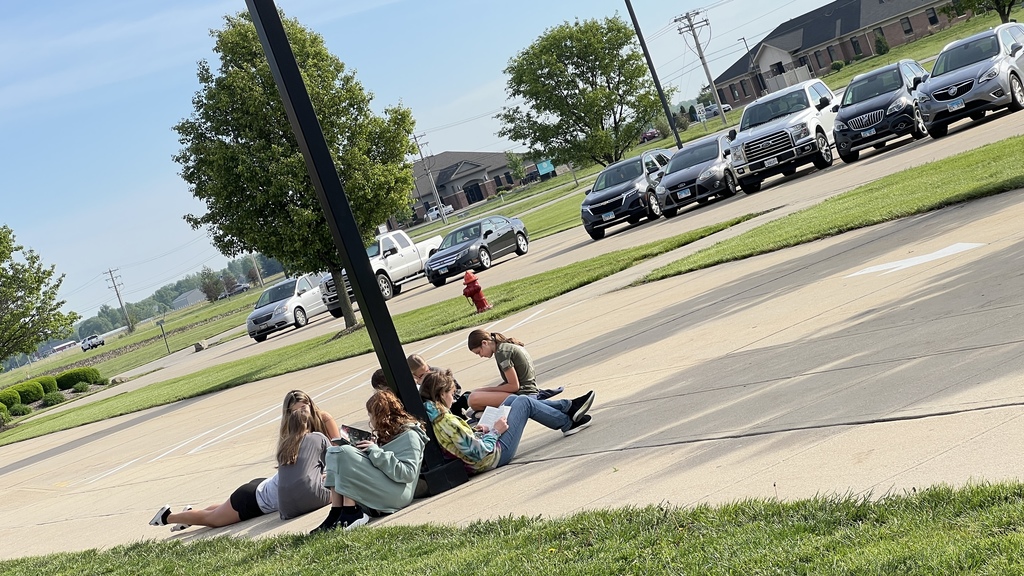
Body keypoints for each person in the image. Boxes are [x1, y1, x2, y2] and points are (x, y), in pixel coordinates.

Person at [150, 409, 330, 531]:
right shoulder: (313, 441)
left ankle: (189, 514)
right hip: (252, 500)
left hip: (257, 491)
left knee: (218, 511)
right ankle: (168, 517)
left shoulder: (288, 446)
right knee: (212, 520)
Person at [419, 369, 594, 475]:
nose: (454, 398)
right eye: (452, 394)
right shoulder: (447, 420)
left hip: (483, 454)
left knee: (511, 400)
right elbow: (478, 452)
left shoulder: (433, 416)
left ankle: (568, 407)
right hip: (491, 458)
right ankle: (568, 420)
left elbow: (459, 444)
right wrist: (495, 431)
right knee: (523, 402)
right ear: (442, 394)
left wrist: (477, 432)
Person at [310, 389, 428, 533]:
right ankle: (337, 511)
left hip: (399, 495)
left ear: (381, 416)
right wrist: (370, 449)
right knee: (333, 452)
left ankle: (351, 512)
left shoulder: (410, 436)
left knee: (344, 452)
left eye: (371, 415)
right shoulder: (387, 435)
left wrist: (375, 451)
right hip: (387, 488)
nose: (370, 420)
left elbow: (407, 474)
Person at [464, 329, 563, 412]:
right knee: (476, 398)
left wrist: (485, 389)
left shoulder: (502, 353)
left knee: (473, 399)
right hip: (527, 390)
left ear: (484, 343)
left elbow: (514, 386)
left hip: (524, 394)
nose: (481, 356)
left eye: (479, 352)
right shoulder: (504, 347)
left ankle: (491, 414)